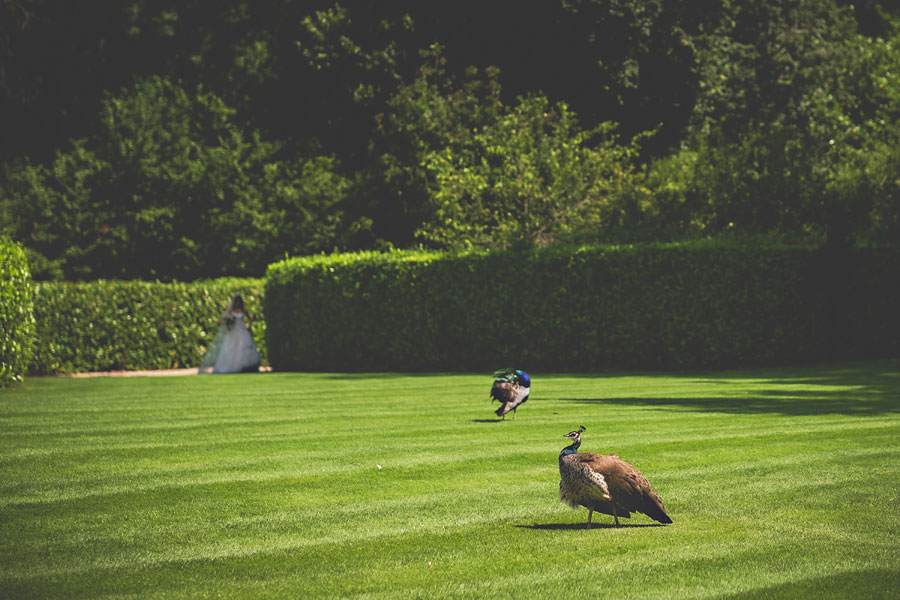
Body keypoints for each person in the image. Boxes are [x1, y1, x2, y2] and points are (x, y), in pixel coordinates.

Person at [198, 294, 261, 374]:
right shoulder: (230, 311)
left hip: (242, 331)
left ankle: (243, 367)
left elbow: (250, 319)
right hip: (233, 332)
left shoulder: (243, 310)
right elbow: (225, 320)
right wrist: (228, 325)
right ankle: (232, 367)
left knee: (243, 348)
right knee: (231, 348)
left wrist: (249, 326)